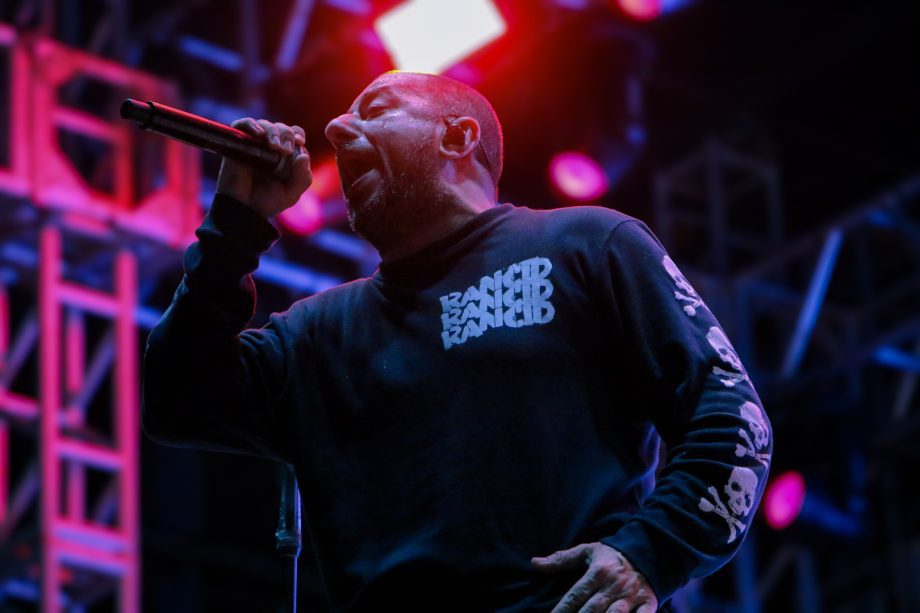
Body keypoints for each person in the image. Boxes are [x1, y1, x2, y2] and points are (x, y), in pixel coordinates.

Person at [142, 71, 772, 612]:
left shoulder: (587, 244)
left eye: (376, 110)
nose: (335, 128)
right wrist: (236, 225)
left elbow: (730, 417)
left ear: (458, 136)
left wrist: (650, 555)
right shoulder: (318, 333)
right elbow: (177, 399)